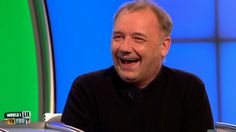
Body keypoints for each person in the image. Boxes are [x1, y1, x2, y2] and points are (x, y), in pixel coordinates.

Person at [61, 0, 214, 132]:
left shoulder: (189, 89)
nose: (125, 47)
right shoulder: (86, 89)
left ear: (164, 46)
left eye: (138, 39)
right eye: (118, 37)